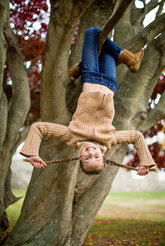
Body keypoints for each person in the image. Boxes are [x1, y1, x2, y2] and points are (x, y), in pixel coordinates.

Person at [20, 27, 155, 176]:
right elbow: (136, 136)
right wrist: (145, 162)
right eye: (96, 157)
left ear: (80, 157)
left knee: (92, 32)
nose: (91, 152)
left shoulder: (71, 136)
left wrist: (32, 154)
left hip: (90, 77)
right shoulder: (109, 139)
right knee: (105, 44)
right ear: (102, 156)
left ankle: (84, 67)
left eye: (87, 158)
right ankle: (123, 60)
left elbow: (39, 128)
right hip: (110, 82)